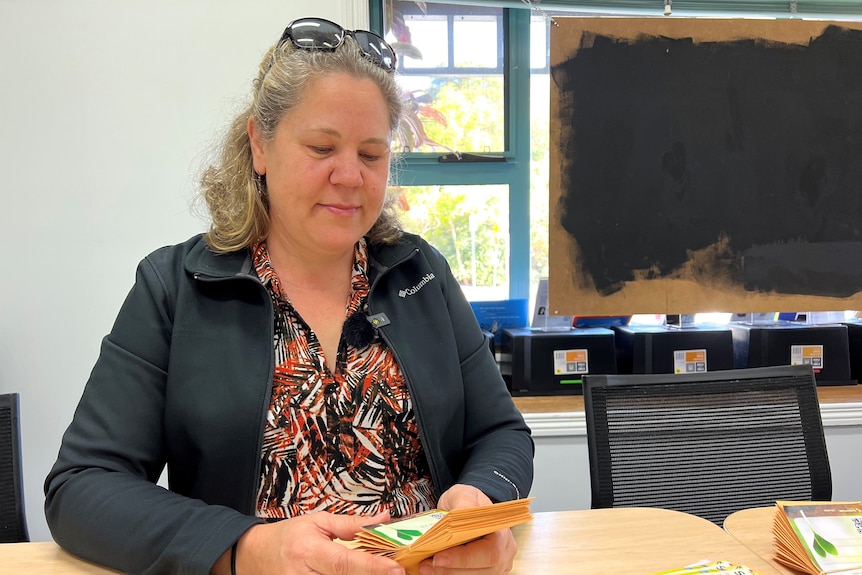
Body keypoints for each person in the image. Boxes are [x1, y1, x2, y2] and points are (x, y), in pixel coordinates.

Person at [44, 17, 534, 575]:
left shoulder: (419, 272)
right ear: (259, 144)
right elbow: (81, 488)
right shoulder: (173, 288)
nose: (350, 175)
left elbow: (501, 434)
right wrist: (242, 548)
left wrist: (481, 505)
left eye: (372, 155)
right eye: (322, 147)